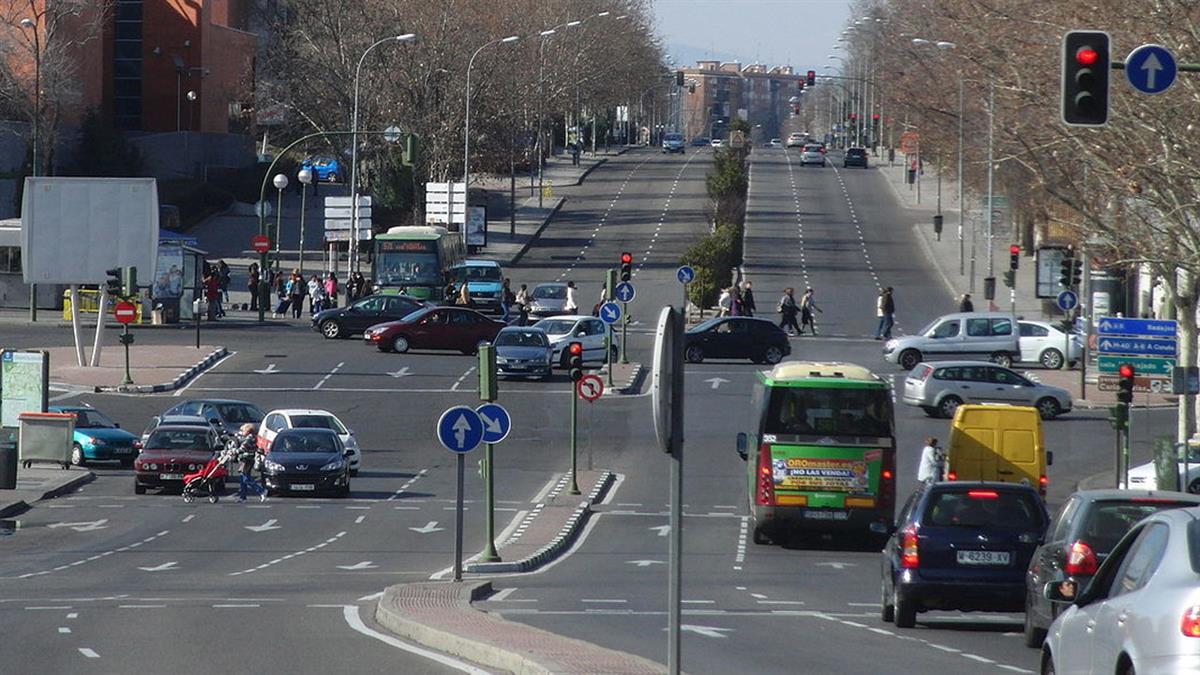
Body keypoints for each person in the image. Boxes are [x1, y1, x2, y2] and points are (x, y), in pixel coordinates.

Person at [234, 423, 268, 503]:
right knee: (242, 478)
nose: (241, 432)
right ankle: (243, 497)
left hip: (247, 460)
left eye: (242, 431)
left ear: (247, 431)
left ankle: (261, 491)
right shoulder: (252, 438)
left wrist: (233, 451)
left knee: (245, 478)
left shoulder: (249, 438)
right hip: (247, 460)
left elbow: (243, 448)